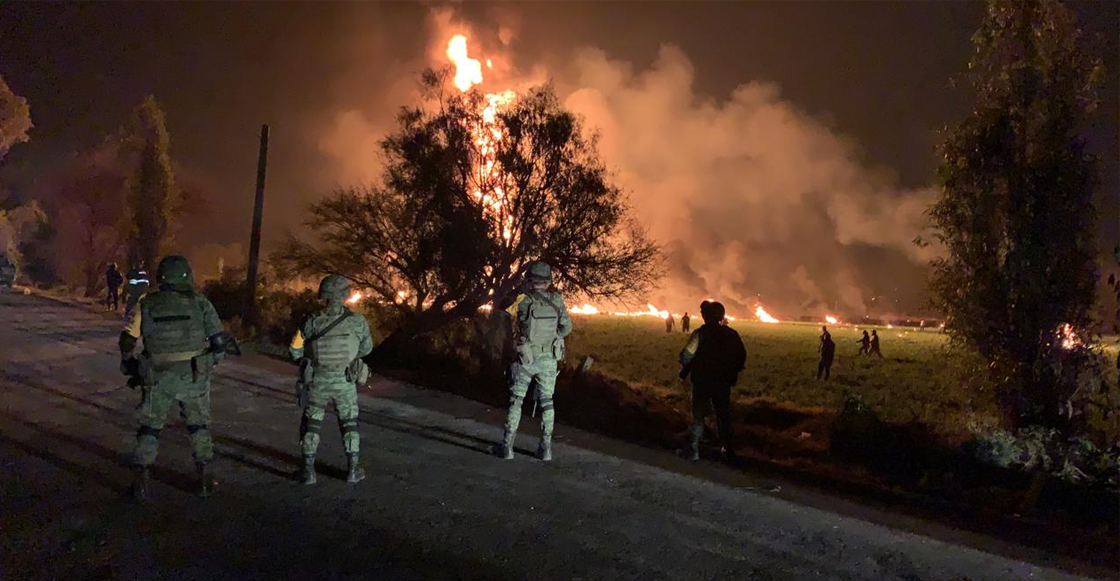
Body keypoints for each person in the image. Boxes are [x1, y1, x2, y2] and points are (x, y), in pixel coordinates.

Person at [119, 255, 227, 500]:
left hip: (157, 374)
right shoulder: (201, 303)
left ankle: (141, 483)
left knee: (150, 426)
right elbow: (219, 342)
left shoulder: (145, 303)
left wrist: (130, 365)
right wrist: (210, 364)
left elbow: (127, 340)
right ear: (187, 275)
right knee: (198, 425)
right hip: (193, 374)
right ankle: (204, 479)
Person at [289, 275, 374, 485]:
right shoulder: (357, 322)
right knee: (349, 423)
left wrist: (306, 358)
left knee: (312, 424)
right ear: (345, 295)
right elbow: (366, 348)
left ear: (323, 295)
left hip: (318, 381)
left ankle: (308, 471)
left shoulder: (311, 321)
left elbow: (294, 349)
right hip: (345, 381)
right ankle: (353, 470)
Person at [494, 261, 572, 461]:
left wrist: (519, 289)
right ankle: (545, 449)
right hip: (549, 359)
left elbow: (502, 306)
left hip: (526, 357)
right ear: (548, 281)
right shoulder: (557, 300)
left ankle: (507, 447)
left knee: (516, 400)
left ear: (530, 279)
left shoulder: (522, 300)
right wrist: (552, 338)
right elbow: (566, 328)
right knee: (547, 402)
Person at [679, 300, 746, 462]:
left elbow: (685, 357)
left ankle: (693, 450)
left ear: (707, 316)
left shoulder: (700, 334)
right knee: (723, 415)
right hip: (723, 382)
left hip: (702, 381)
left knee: (698, 415)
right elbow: (741, 357)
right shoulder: (732, 335)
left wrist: (687, 364)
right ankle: (728, 451)